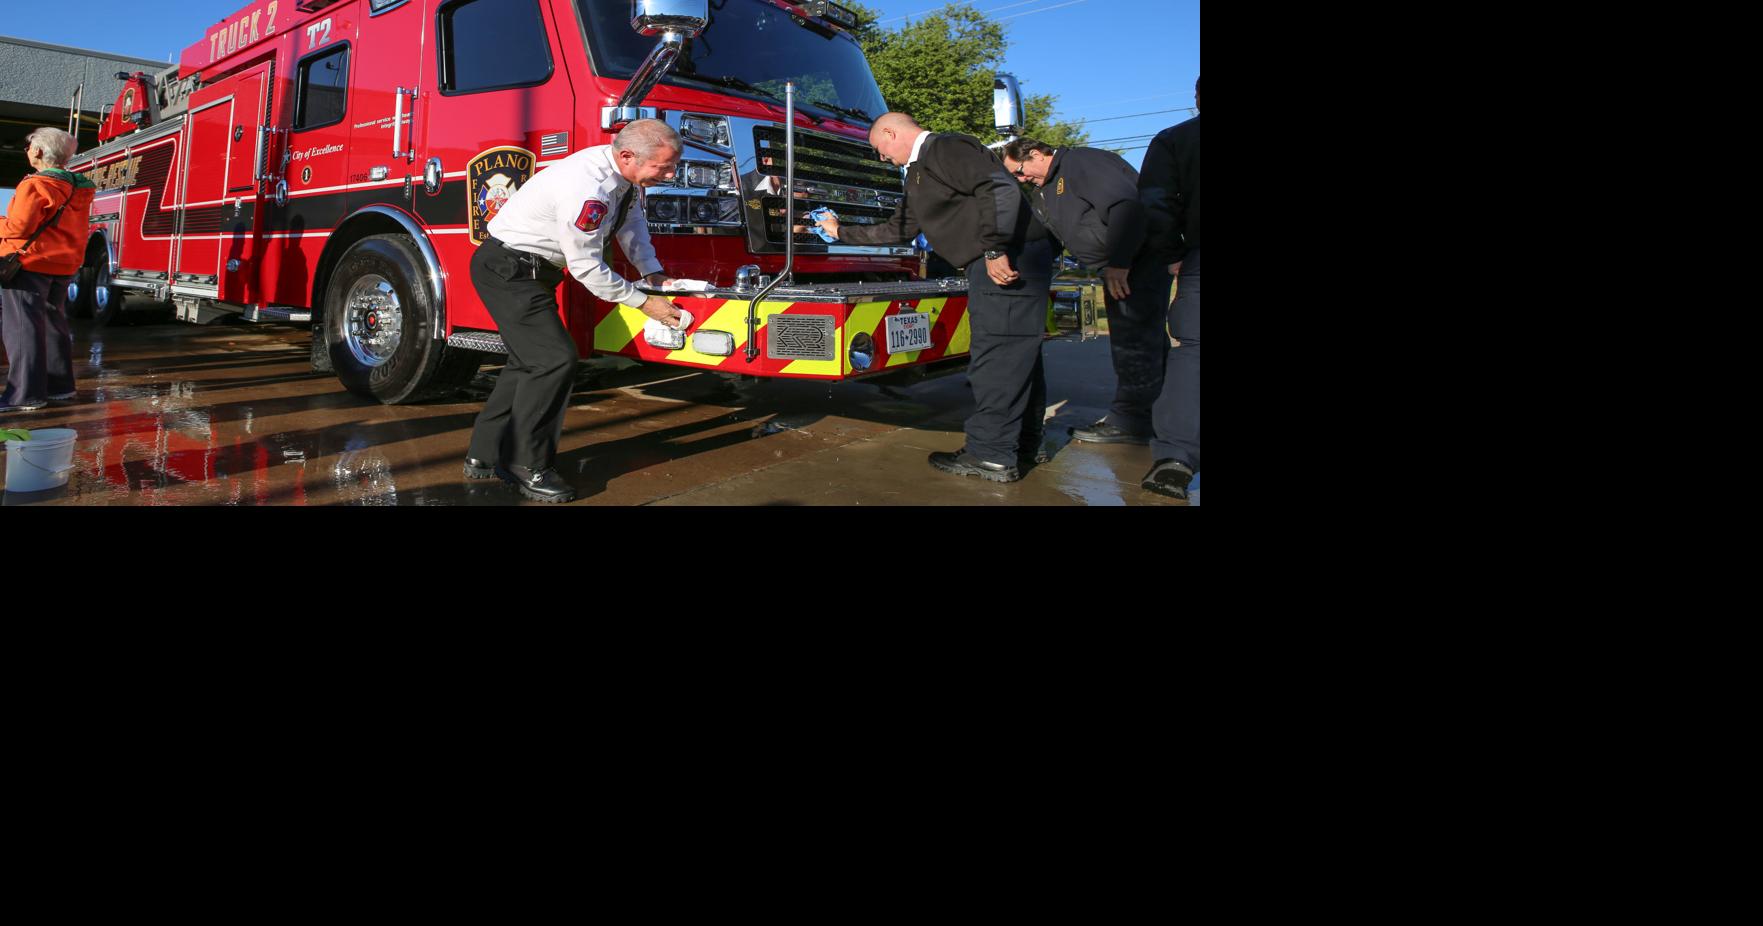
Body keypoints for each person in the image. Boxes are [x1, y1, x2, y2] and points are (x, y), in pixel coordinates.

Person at [808, 112, 1054, 482]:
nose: (881, 158)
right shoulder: (919, 173)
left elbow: (998, 189)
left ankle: (990, 455)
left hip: (1006, 258)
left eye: (879, 148)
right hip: (995, 258)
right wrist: (839, 231)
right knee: (1017, 355)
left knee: (997, 356)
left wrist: (993, 249)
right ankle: (1025, 444)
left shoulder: (946, 147)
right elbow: (899, 228)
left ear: (891, 132)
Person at [464, 119, 684, 502]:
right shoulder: (591, 187)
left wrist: (653, 273)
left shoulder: (625, 179)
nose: (670, 174)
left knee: (528, 361)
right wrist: (645, 302)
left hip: (528, 270)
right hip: (509, 269)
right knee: (554, 360)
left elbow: (631, 227)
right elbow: (584, 266)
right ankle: (525, 464)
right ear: (628, 155)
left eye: (672, 165)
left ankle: (484, 454)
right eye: (663, 166)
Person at [1001, 137, 1168, 447]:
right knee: (1141, 340)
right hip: (1116, 267)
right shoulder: (1045, 191)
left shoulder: (1082, 163)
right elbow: (1050, 239)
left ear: (1036, 154)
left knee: (1135, 342)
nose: (1021, 179)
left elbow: (1127, 207)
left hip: (1137, 263)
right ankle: (1162, 415)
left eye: (1021, 171)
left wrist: (1120, 262)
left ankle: (1131, 421)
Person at [1135, 76, 1200, 499]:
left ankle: (1176, 459)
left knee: (1194, 354)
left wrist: (1171, 252)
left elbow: (1156, 201)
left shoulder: (1178, 140)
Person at [2, 127, 93, 412]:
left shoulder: (34, 185)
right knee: (54, 324)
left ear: (39, 151)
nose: (27, 151)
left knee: (23, 328)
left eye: (29, 146)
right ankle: (60, 387)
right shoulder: (78, 188)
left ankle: (24, 395)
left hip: (29, 264)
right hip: (63, 264)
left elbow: (19, 227)